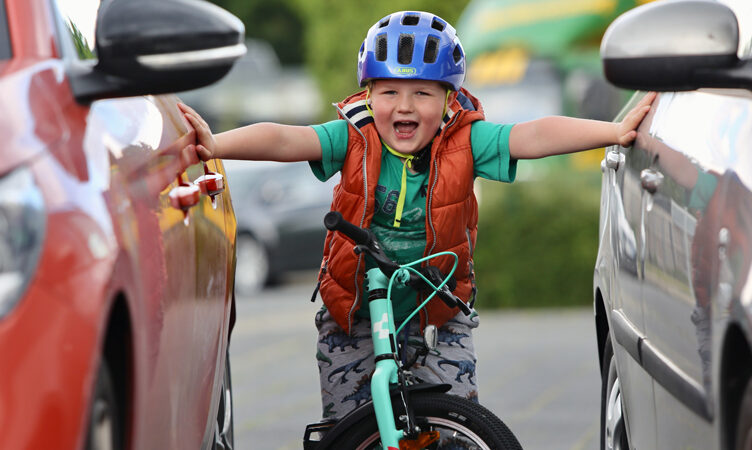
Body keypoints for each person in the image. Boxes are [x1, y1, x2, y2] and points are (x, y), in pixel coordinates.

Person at [179, 10, 655, 422]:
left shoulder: (467, 141)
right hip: (356, 310)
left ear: (450, 101)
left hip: (438, 308)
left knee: (455, 425)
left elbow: (532, 136)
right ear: (367, 96)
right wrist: (217, 144)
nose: (404, 106)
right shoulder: (354, 137)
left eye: (423, 94)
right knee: (352, 423)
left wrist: (613, 131)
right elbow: (285, 139)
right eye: (388, 92)